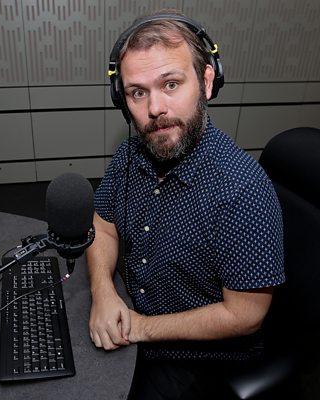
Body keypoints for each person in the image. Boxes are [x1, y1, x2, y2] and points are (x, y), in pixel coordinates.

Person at [86, 10, 285, 400]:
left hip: (202, 358)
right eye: (137, 92)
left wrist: (140, 328)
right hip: (134, 317)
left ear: (207, 82)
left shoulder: (242, 189)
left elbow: (245, 316)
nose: (155, 108)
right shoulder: (129, 155)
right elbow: (103, 225)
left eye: (171, 84)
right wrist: (104, 291)